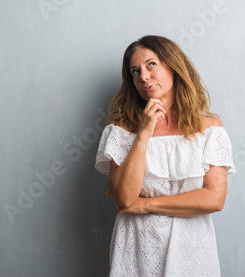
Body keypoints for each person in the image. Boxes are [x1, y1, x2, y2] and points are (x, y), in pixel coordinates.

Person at [95, 35, 236, 276]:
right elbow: (126, 198)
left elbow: (214, 199)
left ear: (173, 66)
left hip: (193, 250)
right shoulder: (121, 130)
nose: (143, 76)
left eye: (151, 65)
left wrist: (147, 204)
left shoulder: (209, 128)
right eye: (135, 71)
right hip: (136, 249)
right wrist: (144, 133)